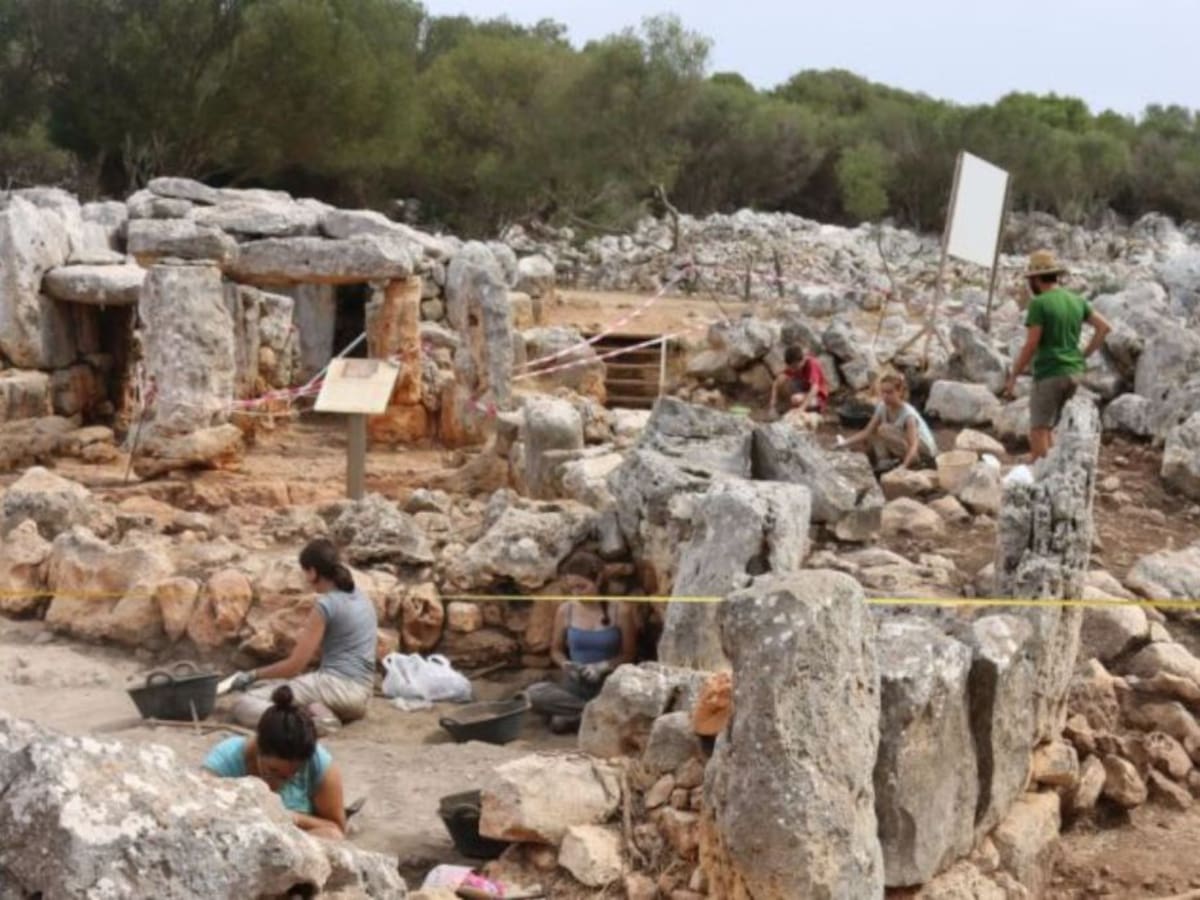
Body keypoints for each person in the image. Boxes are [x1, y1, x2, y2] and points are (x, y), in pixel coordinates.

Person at [229, 539, 377, 733]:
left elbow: (295, 665)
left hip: (337, 688)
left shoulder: (327, 605)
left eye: (305, 572)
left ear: (313, 572)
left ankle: (310, 724)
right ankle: (319, 713)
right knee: (277, 687)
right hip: (363, 694)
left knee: (245, 702)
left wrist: (252, 675)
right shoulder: (362, 597)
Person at [1004, 250, 1112, 460]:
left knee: (1038, 430)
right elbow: (1104, 327)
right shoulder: (1076, 300)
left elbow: (1031, 344)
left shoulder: (1040, 303)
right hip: (1074, 373)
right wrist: (1083, 355)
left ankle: (1041, 479)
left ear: (1035, 279)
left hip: (1049, 372)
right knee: (1050, 427)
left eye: (1030, 281)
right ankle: (1054, 471)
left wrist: (1014, 374)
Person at [204, 685, 347, 840]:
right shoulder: (227, 758)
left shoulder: (319, 765)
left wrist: (291, 817)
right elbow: (197, 805)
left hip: (296, 842)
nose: (277, 785)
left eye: (291, 776)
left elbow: (336, 829)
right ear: (258, 748)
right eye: (272, 772)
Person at [527, 559, 638, 734]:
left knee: (560, 724)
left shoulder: (620, 610)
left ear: (599, 580)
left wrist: (603, 667)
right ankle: (595, 715)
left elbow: (629, 654)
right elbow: (556, 650)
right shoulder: (566, 610)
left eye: (582, 586)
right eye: (572, 588)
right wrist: (566, 665)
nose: (577, 593)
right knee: (534, 693)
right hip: (575, 688)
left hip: (608, 686)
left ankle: (582, 716)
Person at [840, 373, 938, 473]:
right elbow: (867, 431)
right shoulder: (882, 407)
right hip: (904, 442)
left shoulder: (908, 415)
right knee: (875, 430)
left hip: (924, 450)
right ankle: (884, 461)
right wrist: (843, 443)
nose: (885, 396)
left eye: (889, 392)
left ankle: (911, 462)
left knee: (884, 429)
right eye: (883, 392)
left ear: (900, 392)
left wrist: (903, 467)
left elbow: (914, 445)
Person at [769, 344, 830, 416]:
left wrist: (802, 408)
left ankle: (812, 411)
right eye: (791, 367)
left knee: (795, 399)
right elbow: (777, 382)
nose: (793, 369)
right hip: (804, 391)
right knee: (787, 382)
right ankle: (791, 406)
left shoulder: (812, 364)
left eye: (795, 366)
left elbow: (815, 388)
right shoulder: (794, 365)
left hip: (818, 397)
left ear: (802, 360)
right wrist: (772, 403)